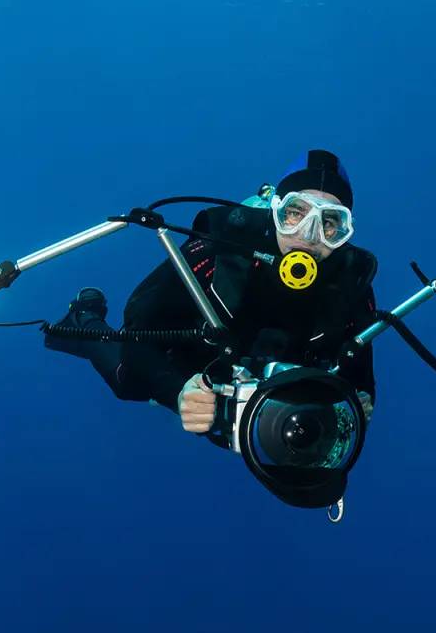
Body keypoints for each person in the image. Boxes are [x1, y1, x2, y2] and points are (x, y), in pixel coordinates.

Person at [45, 149, 377, 442]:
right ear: (275, 210)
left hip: (278, 382)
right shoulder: (223, 247)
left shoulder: (351, 284)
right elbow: (138, 329)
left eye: (330, 222)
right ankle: (84, 318)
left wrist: (357, 403)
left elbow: (360, 374)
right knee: (127, 383)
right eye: (295, 212)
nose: (308, 235)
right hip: (196, 357)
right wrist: (177, 392)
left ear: (344, 233)